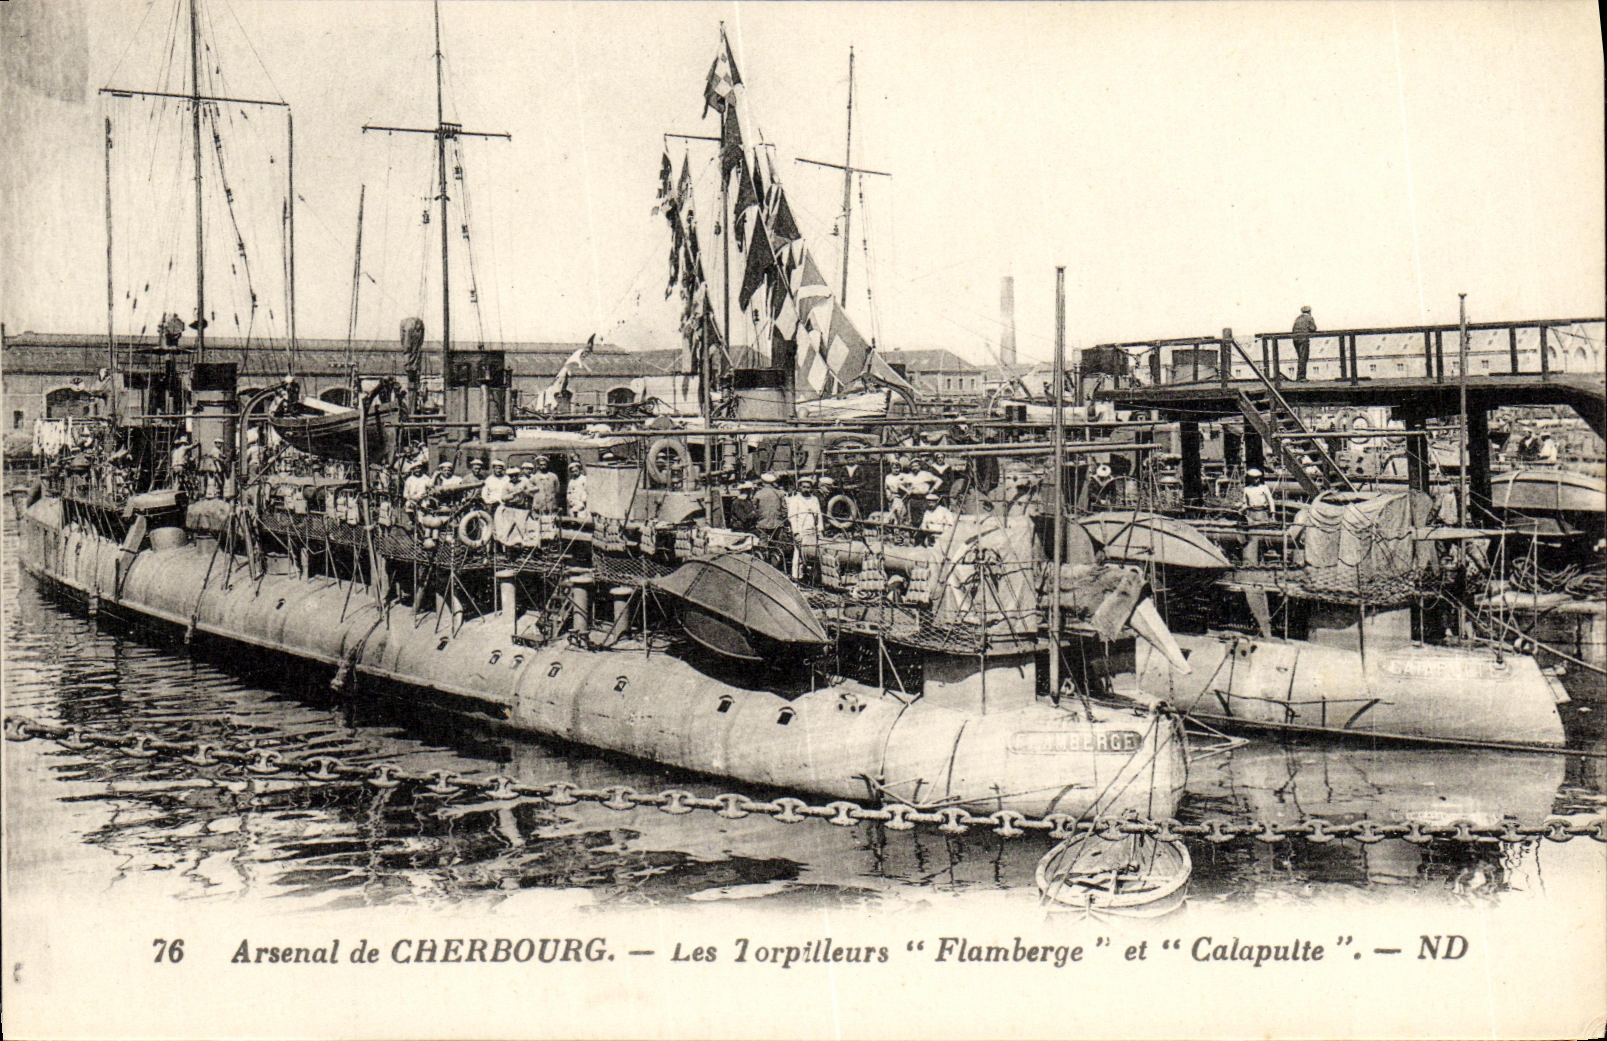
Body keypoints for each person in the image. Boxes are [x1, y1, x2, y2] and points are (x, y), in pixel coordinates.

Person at [786, 475, 823, 581]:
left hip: (812, 530)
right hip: (801, 531)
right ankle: (796, 576)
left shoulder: (814, 499)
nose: (806, 489)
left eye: (808, 487)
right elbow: (792, 517)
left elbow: (819, 515)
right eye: (804, 487)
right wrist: (796, 532)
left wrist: (820, 529)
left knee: (813, 553)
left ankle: (812, 577)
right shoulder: (795, 499)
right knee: (798, 554)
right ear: (799, 487)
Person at [1241, 467, 1276, 565]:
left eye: (1258, 478)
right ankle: (1252, 560)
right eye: (1254, 478)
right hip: (1251, 514)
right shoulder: (1247, 489)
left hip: (1262, 513)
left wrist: (1272, 513)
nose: (1256, 480)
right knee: (1252, 537)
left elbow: (1270, 501)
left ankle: (1264, 559)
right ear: (1250, 479)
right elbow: (1244, 502)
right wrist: (1244, 508)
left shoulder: (1263, 488)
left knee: (1264, 536)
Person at [753, 472, 787, 567]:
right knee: (776, 544)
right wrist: (781, 517)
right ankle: (776, 563)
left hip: (763, 523)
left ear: (763, 482)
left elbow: (754, 508)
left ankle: (763, 563)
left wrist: (759, 516)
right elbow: (785, 509)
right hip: (777, 523)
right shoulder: (779, 493)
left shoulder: (758, 494)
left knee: (763, 544)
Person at [1291, 306, 1317, 381]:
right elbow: (1313, 328)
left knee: (1300, 357)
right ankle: (1301, 377)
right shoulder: (1309, 318)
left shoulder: (1298, 318)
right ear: (1309, 311)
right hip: (1303, 339)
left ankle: (1300, 376)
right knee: (1303, 357)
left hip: (1295, 339)